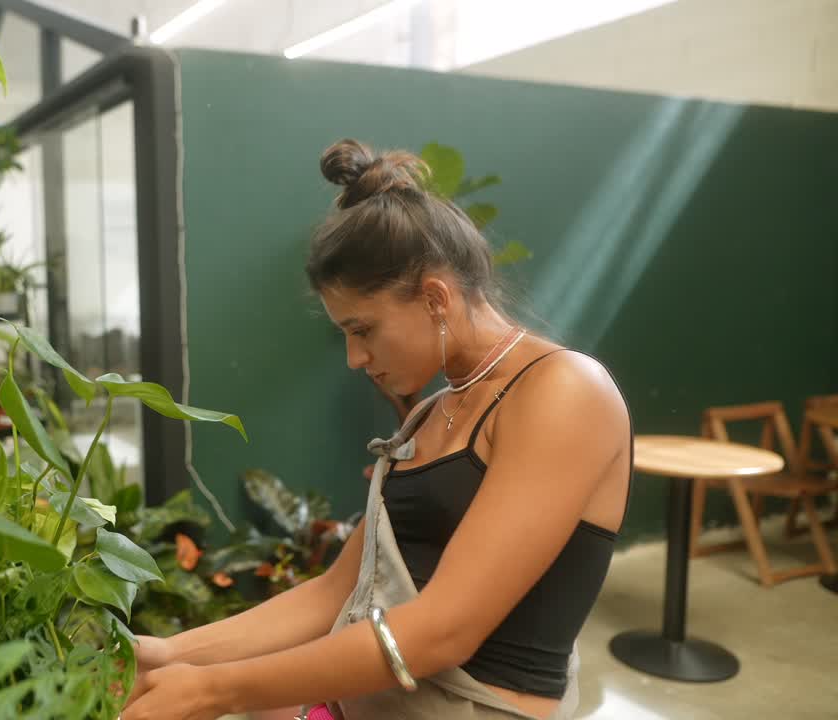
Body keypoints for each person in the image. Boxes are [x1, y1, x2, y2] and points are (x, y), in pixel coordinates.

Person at [122, 139, 633, 720]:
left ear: (435, 299)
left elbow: (443, 632)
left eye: (362, 330)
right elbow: (333, 592)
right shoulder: (434, 410)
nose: (354, 358)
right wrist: (169, 654)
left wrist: (214, 689)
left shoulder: (563, 391)